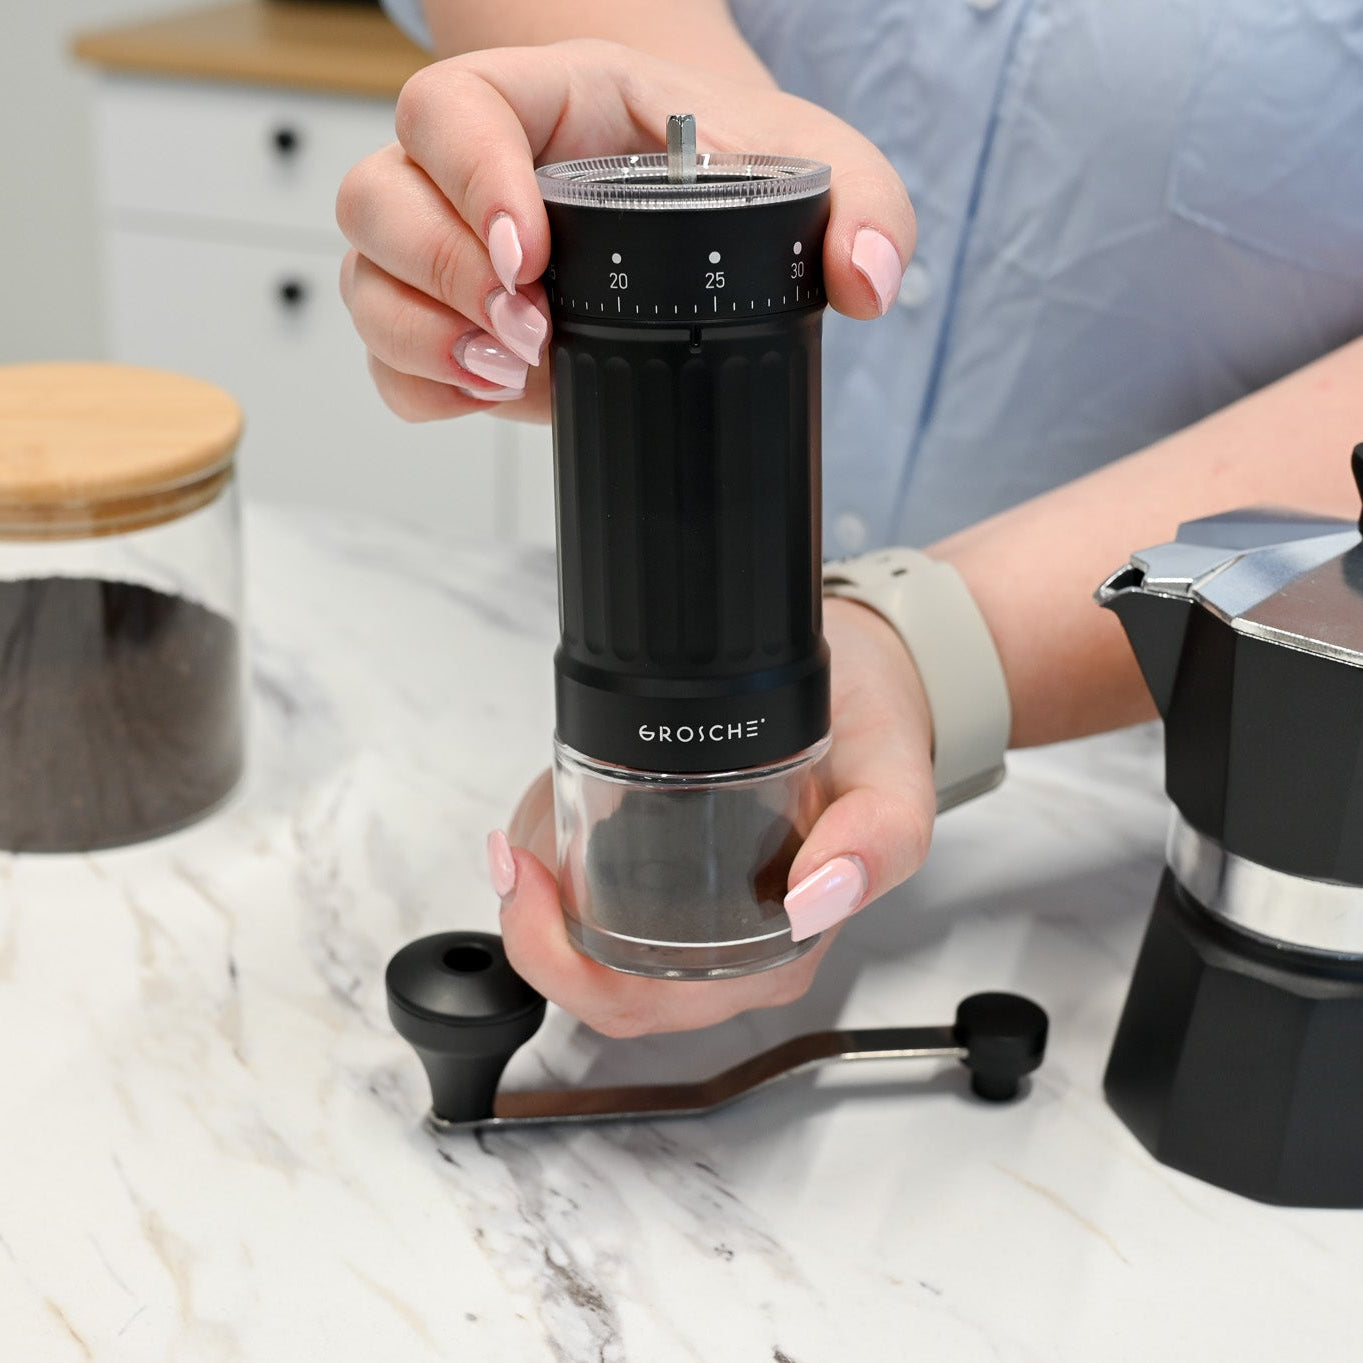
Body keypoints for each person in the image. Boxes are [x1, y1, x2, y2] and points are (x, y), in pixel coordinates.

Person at [338, 0, 1363, 1036]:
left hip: (1187, 778)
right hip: (587, 676)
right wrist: (677, 137)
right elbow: (665, 115)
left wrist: (925, 646)